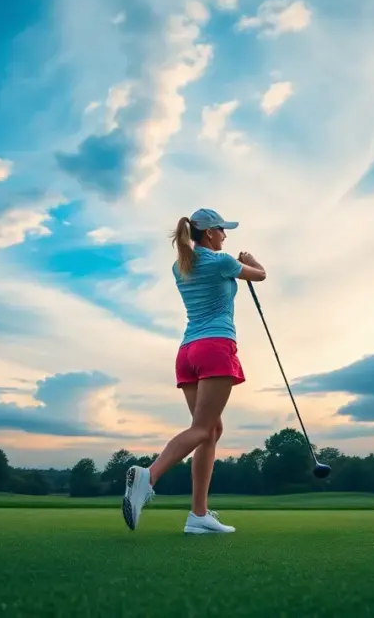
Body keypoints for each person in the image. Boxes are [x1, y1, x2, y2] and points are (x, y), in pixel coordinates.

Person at [122, 208, 266, 534]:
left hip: (187, 351)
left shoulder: (180, 265)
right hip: (215, 346)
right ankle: (149, 476)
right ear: (210, 233)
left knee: (211, 430)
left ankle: (198, 515)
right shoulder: (221, 261)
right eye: (222, 230)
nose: (226, 235)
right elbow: (260, 275)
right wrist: (252, 259)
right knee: (203, 429)